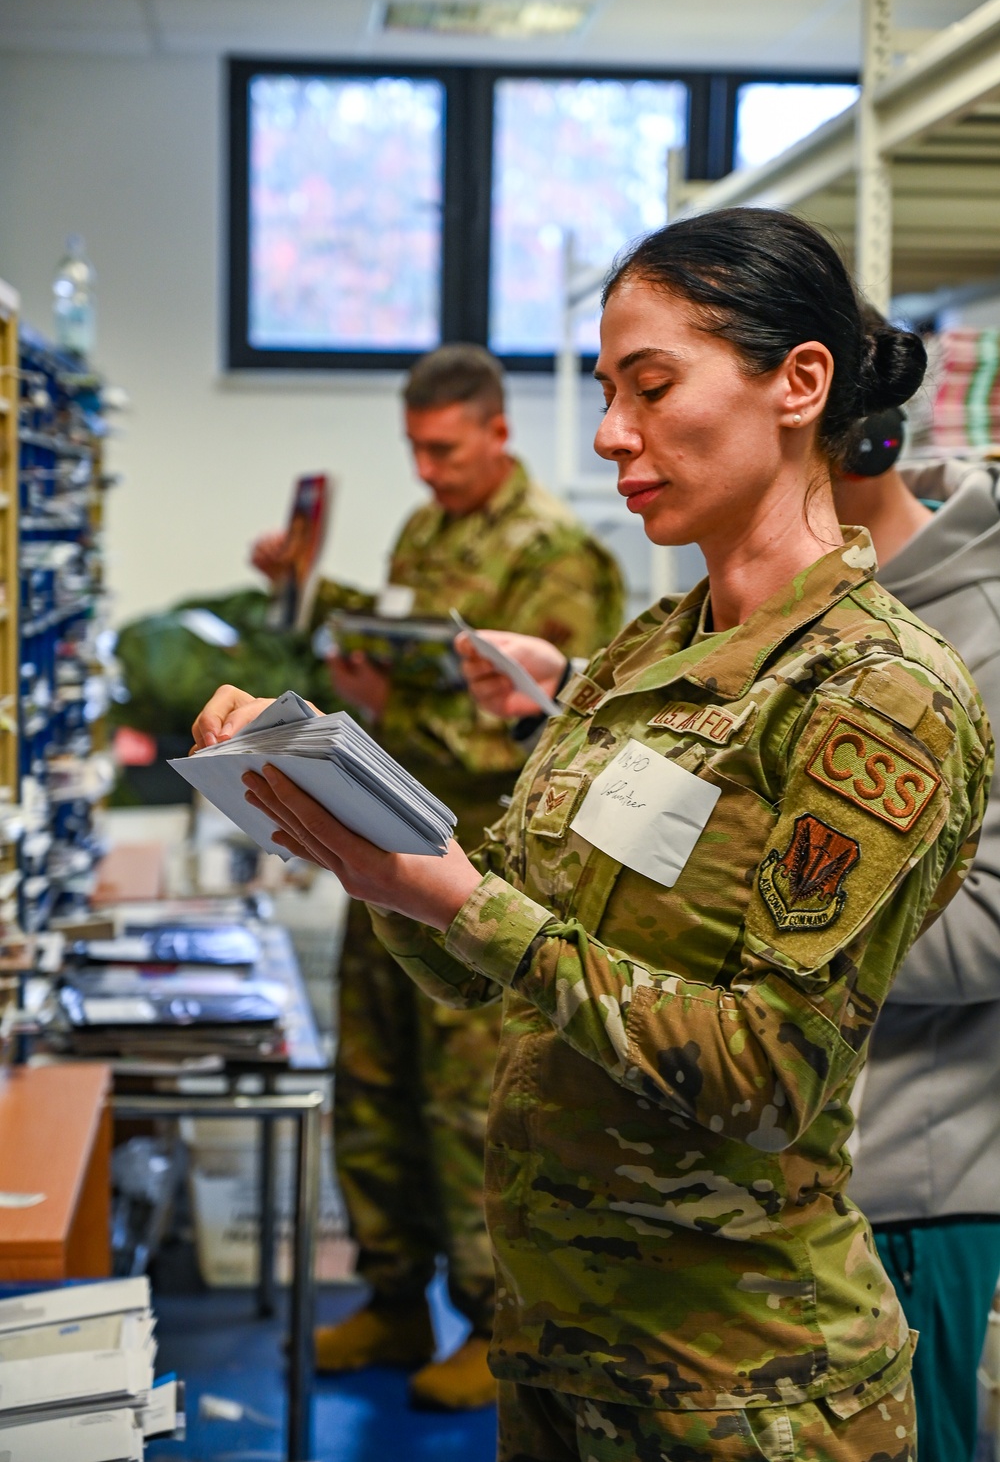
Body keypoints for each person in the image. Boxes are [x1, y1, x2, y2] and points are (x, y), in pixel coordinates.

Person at [208, 209, 992, 1461]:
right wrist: (357, 849)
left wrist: (467, 903)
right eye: (606, 390)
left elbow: (764, 1078)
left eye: (651, 385)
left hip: (744, 1392)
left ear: (800, 384)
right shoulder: (643, 657)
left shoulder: (877, 693)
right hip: (570, 1357)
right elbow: (497, 961)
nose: (610, 433)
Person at [201, 343, 625, 1411]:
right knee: (376, 1084)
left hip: (477, 871)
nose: (428, 472)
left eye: (444, 451)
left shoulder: (557, 558)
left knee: (465, 1105)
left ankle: (489, 1321)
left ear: (495, 432)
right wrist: (306, 595)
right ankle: (393, 1297)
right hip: (377, 846)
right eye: (415, 452)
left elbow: (541, 738)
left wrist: (387, 711)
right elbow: (406, 635)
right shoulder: (425, 532)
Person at [833, 413, 1000, 1462]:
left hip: (901, 1197)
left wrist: (738, 931)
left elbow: (987, 925)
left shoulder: (977, 628)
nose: (621, 438)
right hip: (765, 1186)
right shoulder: (800, 605)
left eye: (657, 390)